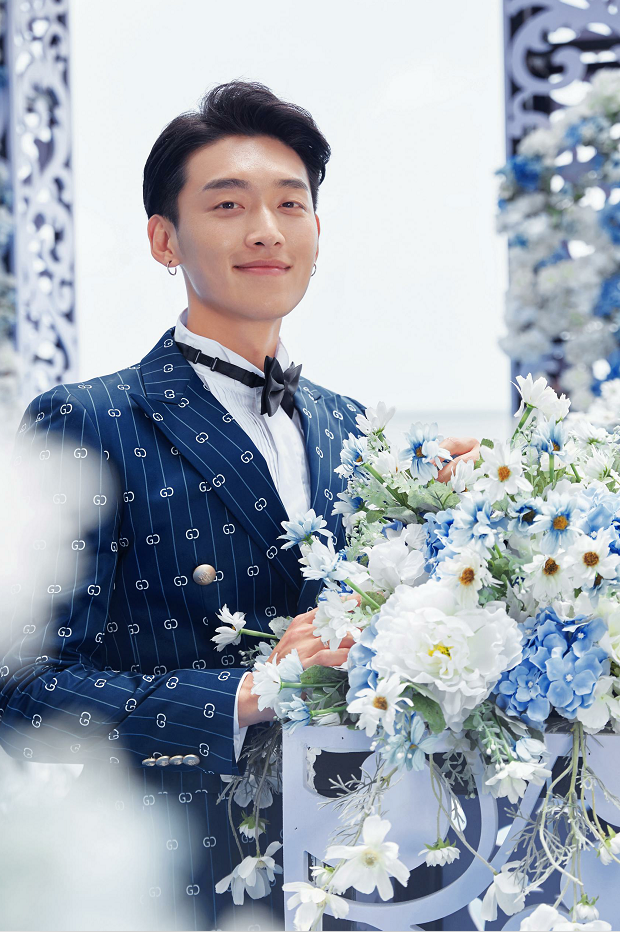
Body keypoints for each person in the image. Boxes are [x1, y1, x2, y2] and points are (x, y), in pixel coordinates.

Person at [0, 80, 480, 931]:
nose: (266, 229)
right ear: (164, 239)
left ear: (317, 232)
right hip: (180, 875)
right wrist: (248, 692)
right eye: (227, 204)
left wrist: (458, 526)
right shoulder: (88, 419)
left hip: (368, 868)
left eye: (290, 204)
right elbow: (22, 687)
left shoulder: (357, 428)